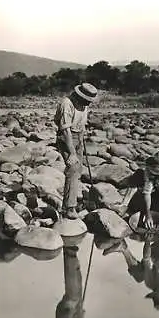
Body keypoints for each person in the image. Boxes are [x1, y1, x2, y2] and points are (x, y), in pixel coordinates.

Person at [54, 83, 98, 219]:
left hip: (78, 136)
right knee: (73, 168)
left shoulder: (83, 105)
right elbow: (65, 129)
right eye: (87, 100)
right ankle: (69, 208)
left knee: (78, 169)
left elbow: (81, 123)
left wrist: (82, 139)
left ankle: (68, 203)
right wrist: (72, 152)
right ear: (80, 96)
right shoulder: (67, 104)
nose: (88, 104)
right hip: (67, 137)